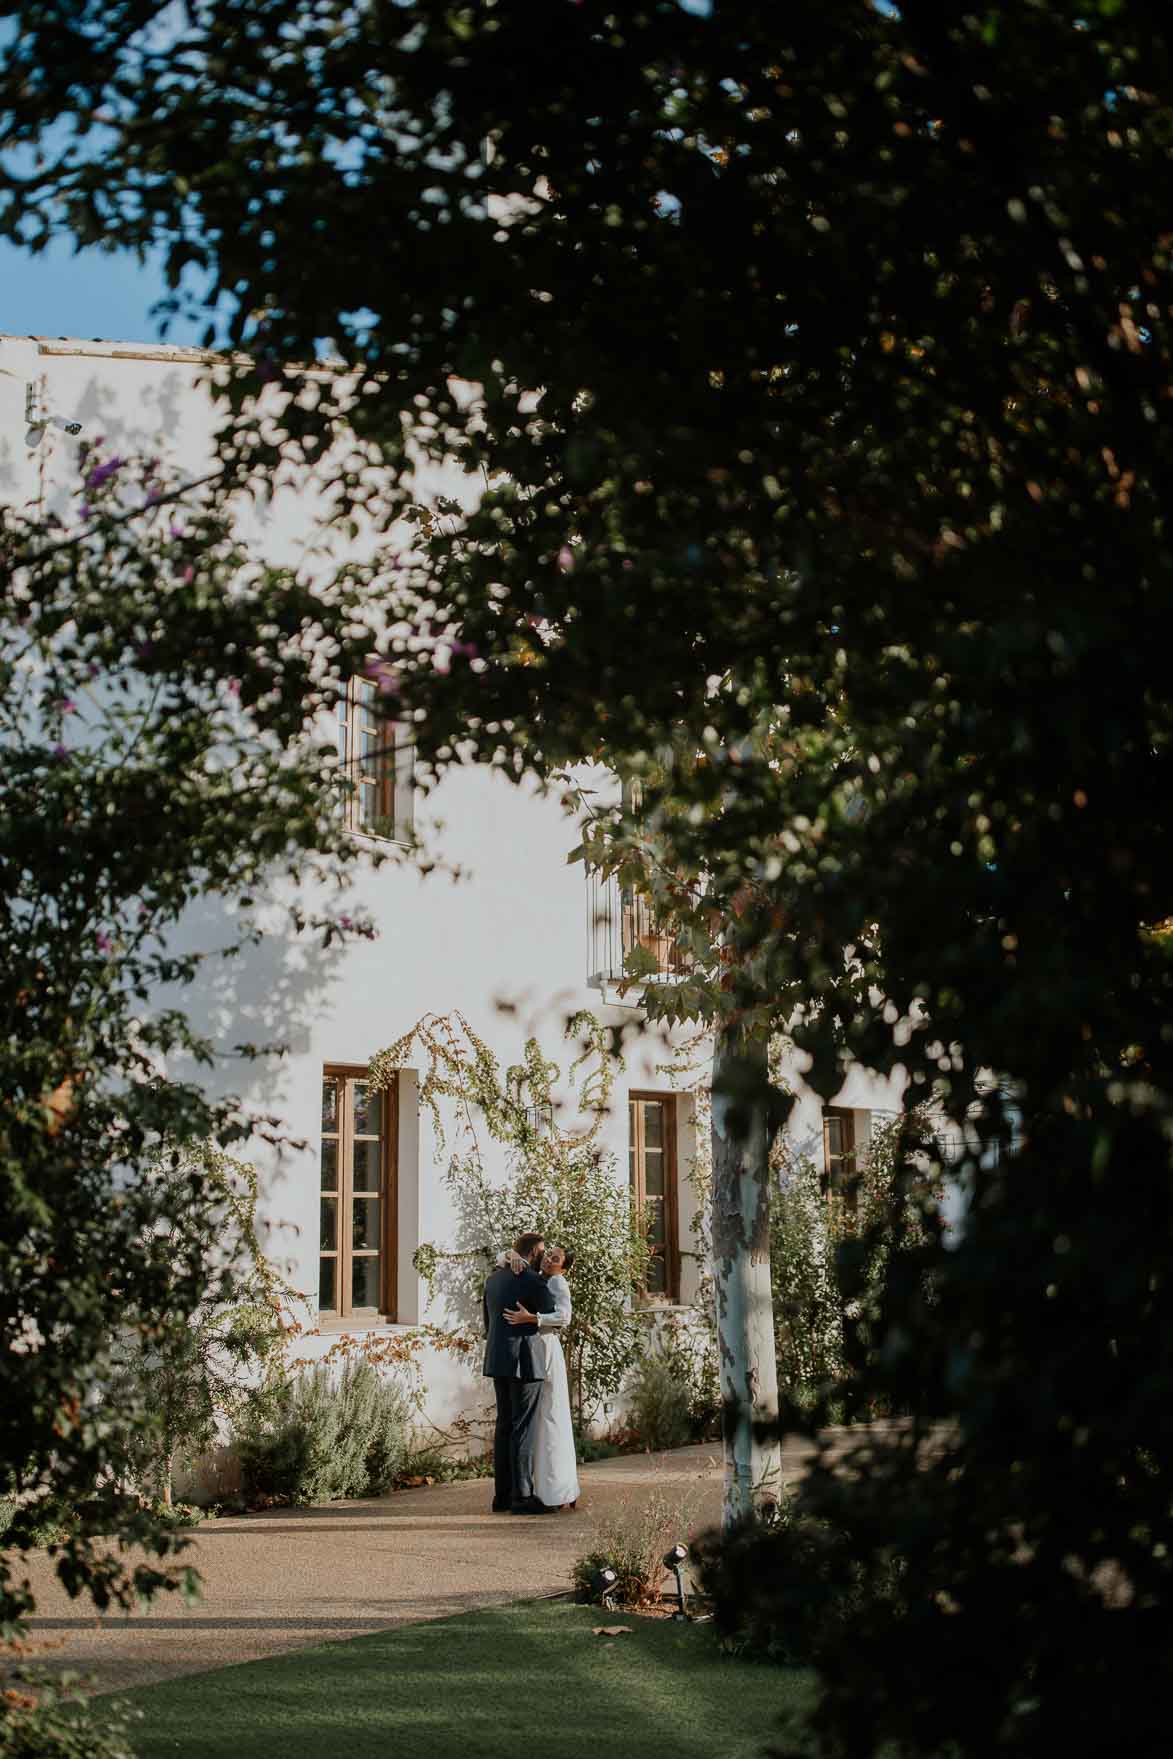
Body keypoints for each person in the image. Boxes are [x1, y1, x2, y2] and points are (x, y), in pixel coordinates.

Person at [482, 1231, 557, 1514]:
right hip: (524, 1360)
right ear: (536, 1251)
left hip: (498, 1359)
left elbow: (487, 1322)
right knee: (522, 1429)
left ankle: (501, 1496)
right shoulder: (532, 1281)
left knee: (504, 1427)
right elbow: (551, 1314)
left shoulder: (493, 1279)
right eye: (543, 1251)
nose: (545, 1255)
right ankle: (522, 1496)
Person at [503, 1244, 581, 1511]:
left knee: (551, 1416)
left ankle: (557, 1489)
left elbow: (564, 1317)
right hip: (539, 1346)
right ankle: (545, 1487)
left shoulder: (558, 1282)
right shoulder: (538, 1276)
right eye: (549, 1255)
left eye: (556, 1259)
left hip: (547, 1348)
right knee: (543, 1419)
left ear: (564, 1267)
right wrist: (512, 1256)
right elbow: (506, 1254)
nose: (549, 1260)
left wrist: (532, 1317)